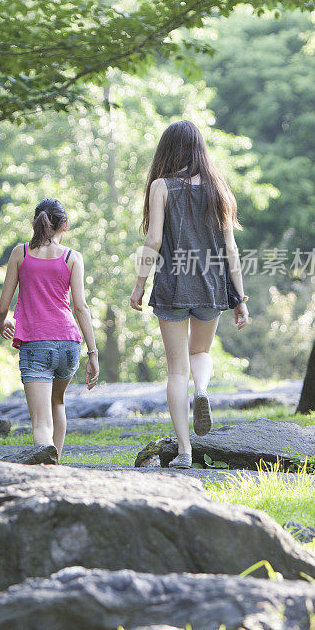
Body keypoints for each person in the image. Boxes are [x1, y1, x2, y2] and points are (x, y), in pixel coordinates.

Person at [129, 120, 249, 469]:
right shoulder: (219, 189)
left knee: (176, 370)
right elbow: (231, 249)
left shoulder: (161, 186)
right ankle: (203, 391)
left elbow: (153, 241)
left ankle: (184, 451)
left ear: (167, 150)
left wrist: (139, 286)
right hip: (211, 286)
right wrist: (240, 299)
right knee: (201, 352)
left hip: (171, 286)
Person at [0, 198, 100, 462]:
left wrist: (2, 323)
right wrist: (93, 353)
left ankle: (47, 474)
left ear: (36, 222)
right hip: (69, 344)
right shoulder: (72, 257)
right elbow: (81, 308)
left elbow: (2, 306)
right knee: (58, 403)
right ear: (64, 224)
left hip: (36, 344)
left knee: (41, 424)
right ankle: (57, 464)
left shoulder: (21, 253)